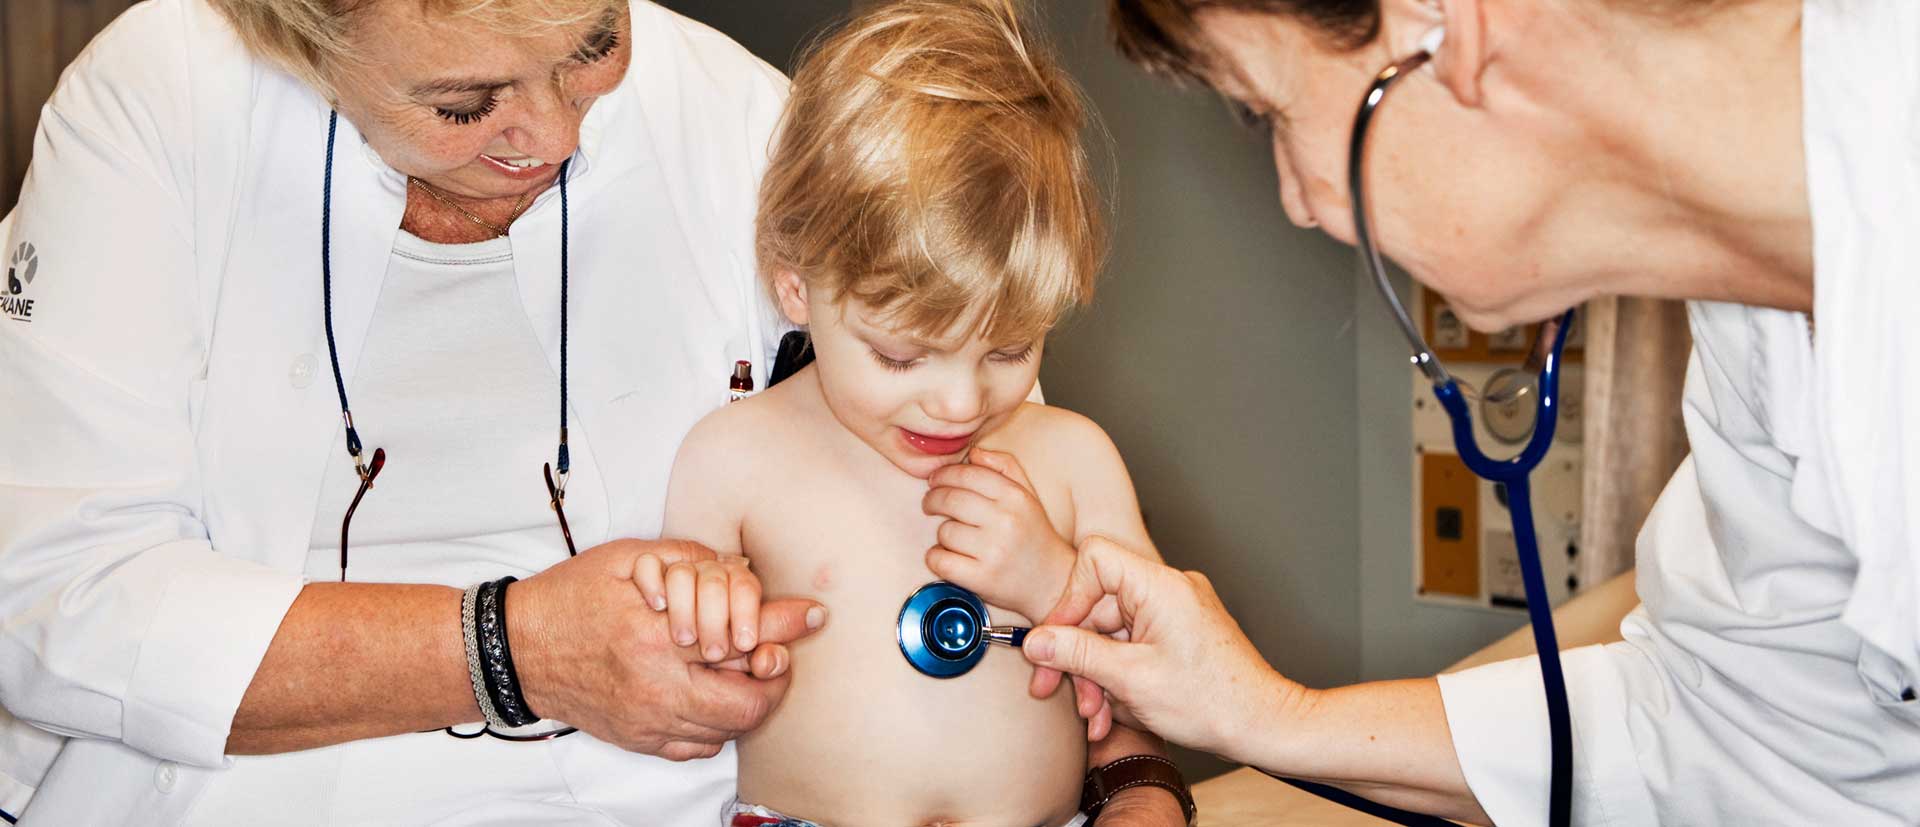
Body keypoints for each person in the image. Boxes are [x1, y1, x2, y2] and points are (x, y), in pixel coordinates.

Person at [1013, 0, 1920, 825]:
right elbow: (1730, 733)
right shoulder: (1756, 329)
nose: (1297, 199)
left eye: (1271, 115)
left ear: (1443, 26)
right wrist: (1265, 714)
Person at [0, 0, 830, 822]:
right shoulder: (167, 92)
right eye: (464, 104)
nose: (555, 136)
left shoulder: (742, 120)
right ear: (300, 36)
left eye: (594, 47)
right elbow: (57, 596)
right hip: (225, 790)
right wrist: (514, 650)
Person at [644, 3, 1193, 825]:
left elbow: (1166, 678)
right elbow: (678, 681)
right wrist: (703, 621)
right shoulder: (733, 460)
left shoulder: (1075, 463)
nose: (962, 402)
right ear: (794, 283)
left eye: (1010, 350)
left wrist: (1050, 579)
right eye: (901, 356)